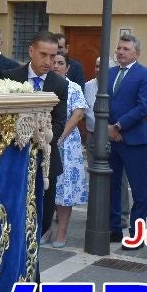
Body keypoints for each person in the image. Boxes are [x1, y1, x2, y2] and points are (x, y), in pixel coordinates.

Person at [5, 32, 68, 243]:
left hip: (46, 159)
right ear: (31, 51)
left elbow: (59, 122)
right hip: (13, 156)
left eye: (53, 56)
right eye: (44, 55)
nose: (49, 61)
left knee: (41, 218)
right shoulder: (10, 78)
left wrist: (40, 139)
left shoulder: (60, 84)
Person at [106, 34, 147, 245]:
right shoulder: (108, 73)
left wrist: (119, 125)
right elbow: (103, 102)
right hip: (111, 138)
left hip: (133, 140)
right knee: (112, 186)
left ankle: (137, 234)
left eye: (125, 49)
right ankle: (114, 228)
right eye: (119, 48)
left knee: (139, 189)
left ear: (136, 52)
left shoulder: (145, 74)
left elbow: (143, 106)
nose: (120, 52)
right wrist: (109, 128)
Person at [49, 53, 88, 247]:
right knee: (47, 187)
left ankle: (61, 233)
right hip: (45, 141)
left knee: (64, 190)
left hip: (67, 143)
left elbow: (79, 112)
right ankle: (45, 229)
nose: (55, 66)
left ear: (67, 68)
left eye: (60, 63)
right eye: (53, 62)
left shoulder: (73, 88)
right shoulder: (43, 85)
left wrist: (60, 135)